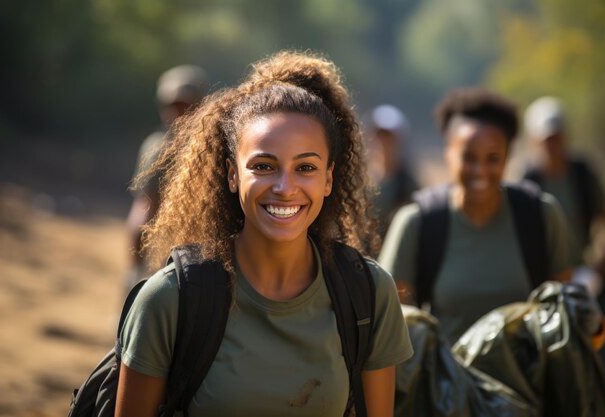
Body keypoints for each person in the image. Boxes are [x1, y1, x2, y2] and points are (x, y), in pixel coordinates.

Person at [115, 51, 412, 417]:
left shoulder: (368, 295)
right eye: (263, 166)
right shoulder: (169, 300)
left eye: (305, 167)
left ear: (329, 179)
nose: (285, 187)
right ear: (232, 174)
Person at [378, 87, 573, 343]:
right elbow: (389, 324)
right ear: (448, 155)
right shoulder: (417, 222)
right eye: (468, 157)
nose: (480, 171)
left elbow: (563, 310)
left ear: (507, 158)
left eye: (492, 158)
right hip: (444, 381)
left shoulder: (540, 215)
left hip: (528, 381)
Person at [125, 65, 208, 291]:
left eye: (185, 107)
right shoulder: (159, 147)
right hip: (166, 259)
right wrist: (136, 267)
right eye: (174, 106)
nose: (178, 114)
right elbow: (144, 209)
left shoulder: (212, 147)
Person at [522, 96, 605, 290]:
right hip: (542, 281)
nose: (553, 146)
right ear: (534, 142)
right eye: (547, 140)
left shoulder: (582, 174)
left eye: (557, 138)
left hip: (583, 274)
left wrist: (597, 273)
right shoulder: (527, 183)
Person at [363, 105, 419, 241]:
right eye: (379, 137)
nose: (382, 143)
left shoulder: (407, 184)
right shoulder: (359, 182)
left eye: (388, 138)